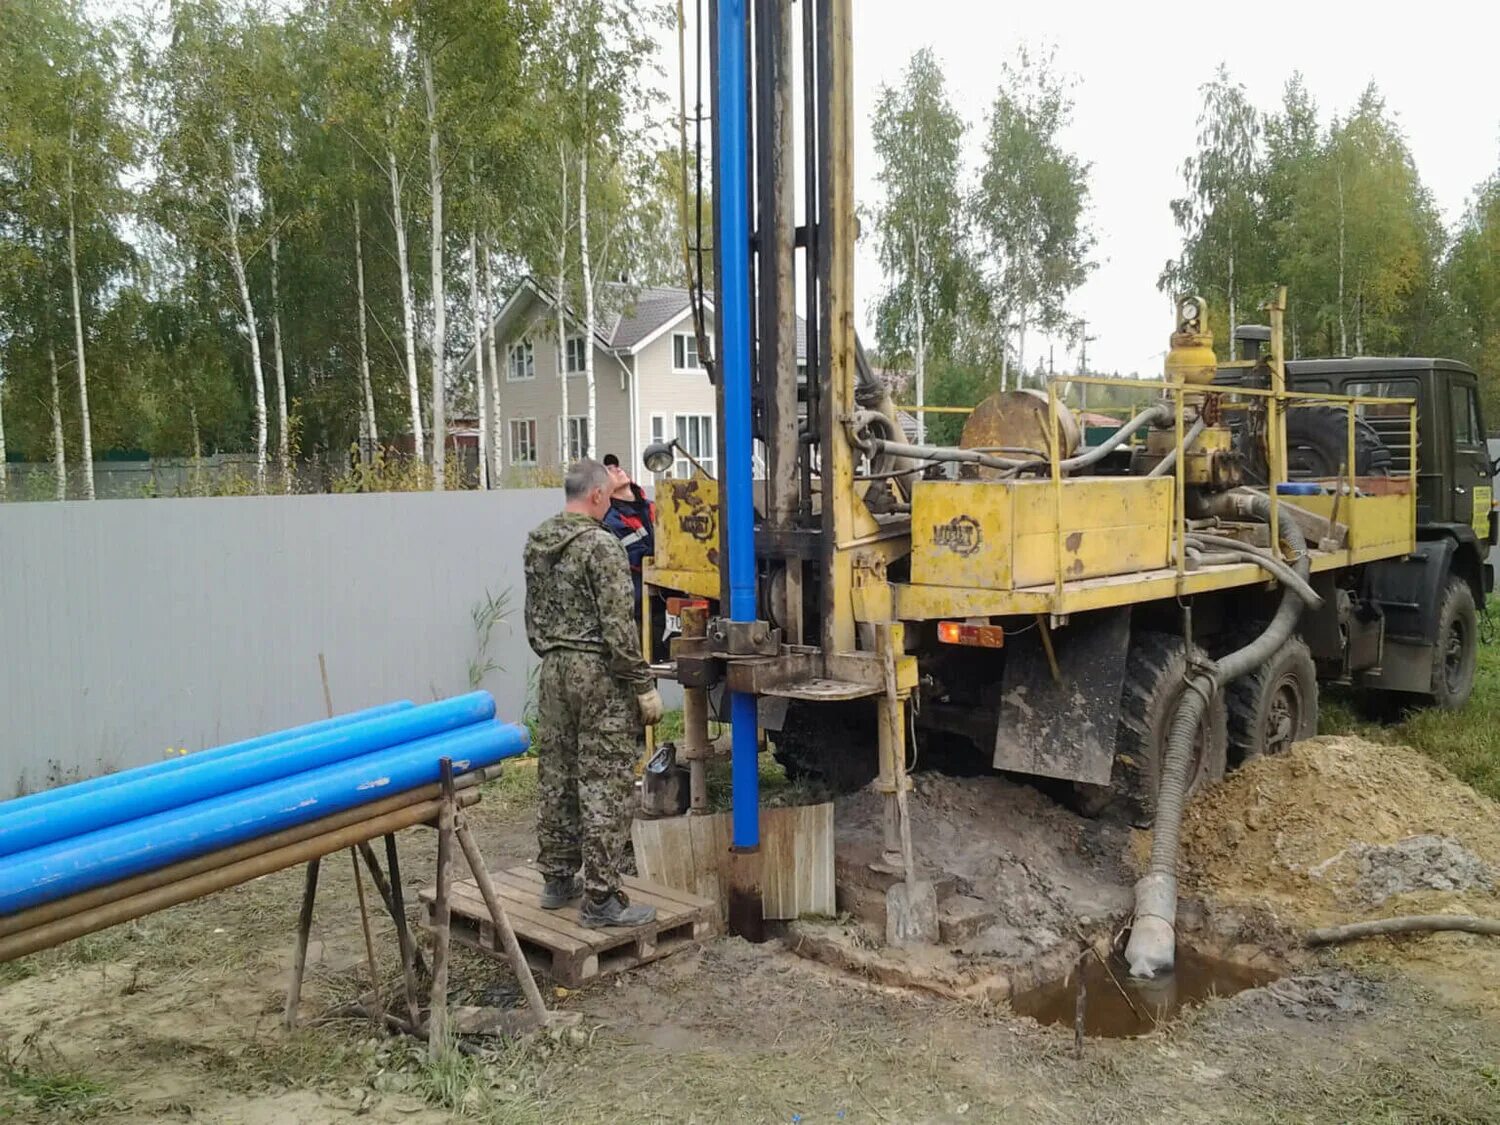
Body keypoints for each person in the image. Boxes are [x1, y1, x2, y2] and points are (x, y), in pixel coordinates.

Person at [523, 459, 664, 928]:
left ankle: (557, 879)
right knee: (605, 780)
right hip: (599, 674)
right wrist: (642, 684)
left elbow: (534, 618)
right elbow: (619, 627)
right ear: (599, 496)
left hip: (553, 672)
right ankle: (602, 899)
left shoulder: (538, 542)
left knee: (558, 773)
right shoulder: (601, 547)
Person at [601, 462, 656, 619]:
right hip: (646, 606)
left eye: (616, 466)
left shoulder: (655, 506)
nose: (617, 468)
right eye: (608, 470)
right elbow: (639, 558)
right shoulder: (613, 521)